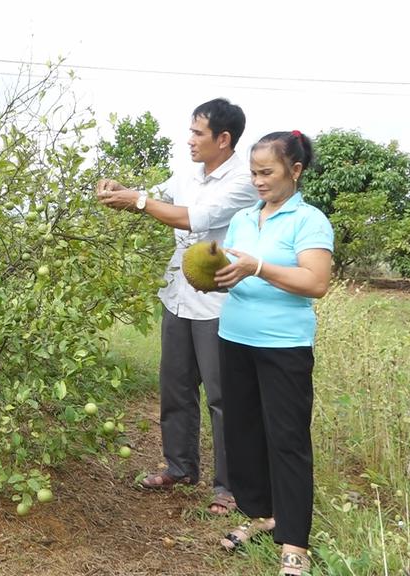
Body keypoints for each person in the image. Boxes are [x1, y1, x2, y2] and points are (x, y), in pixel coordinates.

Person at [95, 98, 257, 515]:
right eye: (190, 131)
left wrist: (138, 202)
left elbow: (193, 219)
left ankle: (229, 486)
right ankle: (180, 467)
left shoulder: (242, 180)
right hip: (178, 293)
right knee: (176, 386)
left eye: (197, 133)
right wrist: (124, 190)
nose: (189, 140)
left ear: (224, 139)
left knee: (223, 396)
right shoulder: (189, 173)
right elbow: (159, 196)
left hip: (218, 301)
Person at [213, 131, 333, 576]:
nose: (258, 181)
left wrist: (258, 266)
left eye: (267, 172)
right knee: (244, 435)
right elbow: (235, 271)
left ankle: (295, 543)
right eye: (254, 173)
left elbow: (316, 282)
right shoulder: (244, 218)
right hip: (236, 336)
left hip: (283, 346)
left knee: (287, 441)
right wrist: (215, 274)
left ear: (295, 171)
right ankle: (263, 516)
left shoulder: (310, 220)